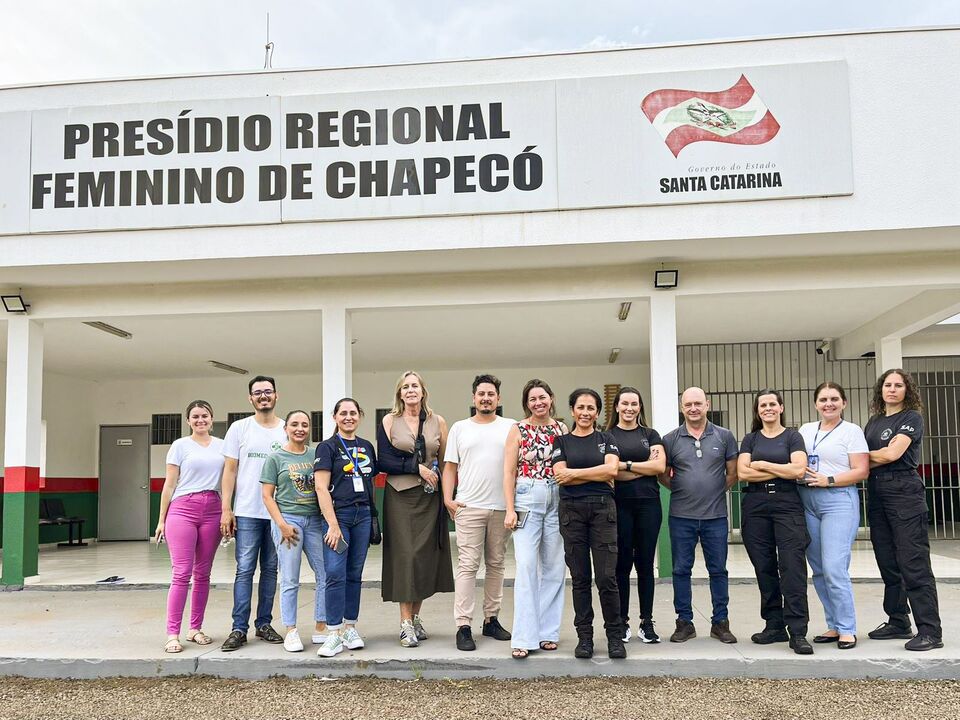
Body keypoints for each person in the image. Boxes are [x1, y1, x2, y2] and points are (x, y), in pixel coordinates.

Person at [864, 368, 943, 651]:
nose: (893, 389)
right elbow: (867, 464)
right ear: (881, 390)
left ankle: (930, 631)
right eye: (888, 385)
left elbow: (892, 454)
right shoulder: (874, 422)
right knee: (888, 562)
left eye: (899, 385)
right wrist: (867, 459)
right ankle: (898, 620)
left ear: (907, 390)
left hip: (904, 492)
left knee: (914, 564)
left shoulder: (911, 418)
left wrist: (859, 457)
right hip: (876, 493)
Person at [377, 370, 454, 647]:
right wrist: (416, 468)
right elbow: (383, 460)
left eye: (415, 386)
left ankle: (417, 618)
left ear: (423, 392)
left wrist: (448, 497)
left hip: (430, 498)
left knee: (423, 557)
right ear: (400, 393)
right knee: (405, 556)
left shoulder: (439, 421)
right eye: (406, 386)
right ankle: (404, 622)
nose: (411, 390)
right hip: (400, 496)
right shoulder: (389, 420)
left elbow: (446, 463)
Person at [659, 387, 739, 645]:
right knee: (681, 570)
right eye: (688, 404)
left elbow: (732, 473)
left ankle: (721, 622)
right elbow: (663, 474)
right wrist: (683, 490)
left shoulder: (725, 436)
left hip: (715, 517)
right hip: (681, 516)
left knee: (718, 570)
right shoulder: (670, 439)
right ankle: (684, 622)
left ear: (707, 404)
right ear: (682, 407)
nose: (693, 408)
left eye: (698, 403)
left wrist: (713, 491)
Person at [442, 374, 515, 652]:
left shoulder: (511, 427)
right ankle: (463, 625)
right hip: (469, 507)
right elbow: (450, 467)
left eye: (491, 394)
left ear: (498, 399)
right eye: (481, 394)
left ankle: (491, 619)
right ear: (473, 398)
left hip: (501, 507)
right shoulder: (460, 428)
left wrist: (512, 507)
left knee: (496, 564)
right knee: (468, 566)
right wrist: (449, 499)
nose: (486, 398)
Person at [552, 387, 625, 660]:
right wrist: (593, 474)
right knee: (581, 579)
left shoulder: (607, 439)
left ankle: (615, 637)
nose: (585, 413)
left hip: (603, 511)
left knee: (607, 577)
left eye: (591, 408)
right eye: (580, 407)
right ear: (572, 410)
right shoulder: (560, 442)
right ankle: (585, 638)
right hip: (571, 512)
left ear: (597, 412)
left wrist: (574, 473)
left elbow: (612, 470)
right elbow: (560, 475)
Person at [737, 389, 812, 655]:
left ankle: (798, 630)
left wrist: (763, 464)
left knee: (792, 566)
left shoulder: (793, 436)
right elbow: (742, 472)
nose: (767, 408)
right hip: (756, 505)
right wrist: (781, 469)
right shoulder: (750, 438)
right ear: (757, 411)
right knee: (764, 566)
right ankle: (774, 624)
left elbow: (799, 470)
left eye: (772, 404)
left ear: (781, 407)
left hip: (786, 503)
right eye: (762, 405)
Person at [219, 375, 289, 652]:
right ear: (250, 398)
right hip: (247, 511)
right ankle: (239, 628)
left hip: (277, 512)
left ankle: (263, 624)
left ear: (276, 396)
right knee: (245, 570)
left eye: (268, 392)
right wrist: (227, 508)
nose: (263, 396)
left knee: (271, 569)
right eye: (258, 392)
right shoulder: (239, 428)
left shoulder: (286, 429)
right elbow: (230, 470)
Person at [798, 382, 869, 650]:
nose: (829, 403)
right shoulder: (806, 430)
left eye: (835, 399)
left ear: (844, 403)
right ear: (816, 403)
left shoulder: (852, 432)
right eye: (824, 399)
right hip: (807, 500)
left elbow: (861, 470)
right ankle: (834, 625)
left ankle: (848, 628)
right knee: (817, 567)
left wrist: (828, 479)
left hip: (838, 500)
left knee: (834, 566)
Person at [503, 379, 567, 659]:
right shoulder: (517, 429)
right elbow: (507, 472)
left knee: (554, 568)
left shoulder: (561, 429)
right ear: (526, 403)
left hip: (557, 499)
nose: (538, 403)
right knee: (527, 567)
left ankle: (547, 633)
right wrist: (509, 508)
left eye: (542, 397)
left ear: (551, 399)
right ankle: (524, 637)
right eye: (532, 399)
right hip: (527, 498)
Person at [154, 400, 224, 653]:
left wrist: (228, 512)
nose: (200, 420)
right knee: (181, 572)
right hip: (183, 508)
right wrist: (162, 519)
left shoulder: (222, 446)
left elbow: (229, 481)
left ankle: (195, 629)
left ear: (212, 418)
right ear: (188, 421)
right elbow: (170, 485)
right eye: (195, 416)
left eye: (204, 415)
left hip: (213, 508)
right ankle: (173, 633)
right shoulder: (179, 446)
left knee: (203, 573)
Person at [313, 398, 378, 657]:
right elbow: (320, 487)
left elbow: (370, 482)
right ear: (335, 417)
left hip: (362, 515)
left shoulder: (366, 446)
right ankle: (333, 632)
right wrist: (332, 524)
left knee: (354, 573)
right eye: (343, 413)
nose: (348, 417)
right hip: (338, 516)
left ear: (360, 416)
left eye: (353, 413)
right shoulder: (327, 447)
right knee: (335, 573)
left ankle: (350, 627)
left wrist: (373, 516)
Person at [260, 410, 326, 653]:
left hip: (315, 521)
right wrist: (282, 525)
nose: (300, 428)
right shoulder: (275, 458)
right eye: (295, 424)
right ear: (286, 428)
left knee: (325, 572)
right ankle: (291, 630)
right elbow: (267, 496)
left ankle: (321, 626)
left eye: (305, 425)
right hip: (288, 521)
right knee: (290, 578)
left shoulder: (316, 455)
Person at [607, 387, 666, 644]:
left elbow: (659, 466)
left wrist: (626, 465)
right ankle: (621, 623)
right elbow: (609, 471)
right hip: (618, 506)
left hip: (648, 506)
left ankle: (647, 622)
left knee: (645, 564)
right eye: (625, 403)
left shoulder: (650, 435)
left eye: (635, 403)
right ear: (617, 407)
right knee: (621, 566)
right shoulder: (607, 436)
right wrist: (644, 468)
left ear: (640, 407)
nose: (630, 408)